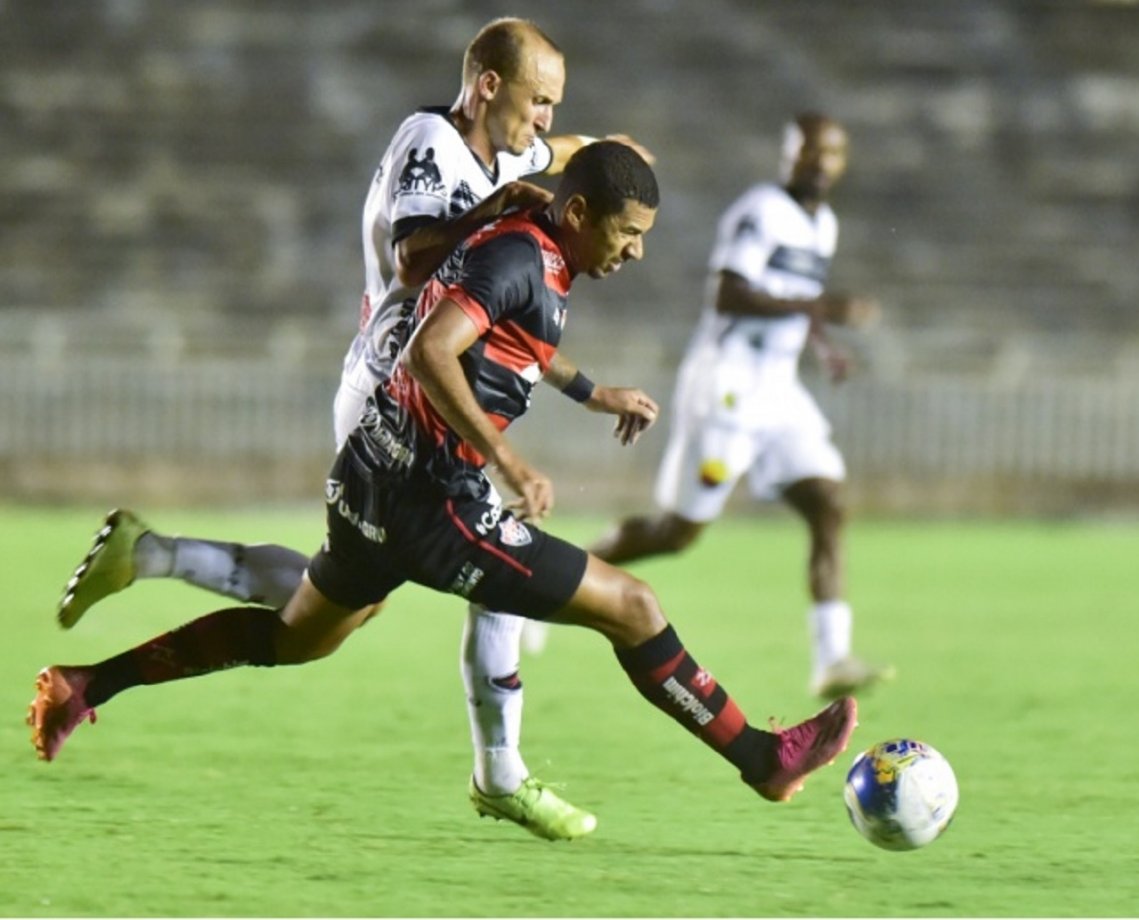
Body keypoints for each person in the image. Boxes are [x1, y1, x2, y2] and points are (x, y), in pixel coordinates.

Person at [29, 143, 858, 835]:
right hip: (436, 506)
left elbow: (510, 337)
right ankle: (762, 760)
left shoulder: (533, 243)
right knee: (633, 608)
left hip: (370, 476)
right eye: (629, 232)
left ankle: (84, 685)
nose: (636, 250)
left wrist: (592, 392)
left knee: (295, 639)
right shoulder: (521, 256)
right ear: (579, 216)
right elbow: (433, 348)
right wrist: (507, 460)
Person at [50, 17, 654, 841]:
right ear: (487, 86)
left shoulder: (514, 152)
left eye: (555, 104)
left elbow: (566, 161)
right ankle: (500, 773)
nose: (546, 118)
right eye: (538, 99)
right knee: (498, 567)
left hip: (429, 392)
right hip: (397, 393)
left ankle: (151, 555)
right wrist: (494, 208)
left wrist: (614, 157)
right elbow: (413, 261)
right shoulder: (430, 142)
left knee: (326, 616)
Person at [529, 113, 892, 700]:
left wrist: (822, 343)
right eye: (810, 152)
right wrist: (823, 310)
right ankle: (542, 588)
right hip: (728, 385)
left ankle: (833, 659)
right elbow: (730, 291)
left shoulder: (822, 224)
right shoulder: (760, 211)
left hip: (779, 387)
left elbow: (795, 299)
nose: (821, 165)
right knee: (674, 533)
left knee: (829, 502)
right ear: (789, 154)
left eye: (832, 154)